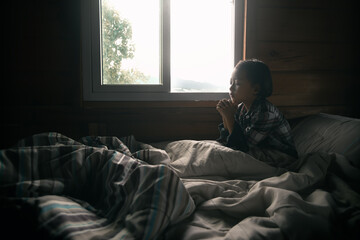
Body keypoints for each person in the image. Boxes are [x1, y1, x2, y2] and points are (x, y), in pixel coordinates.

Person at [216, 59, 298, 169]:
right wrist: (225, 116)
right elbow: (229, 138)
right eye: (231, 82)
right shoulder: (241, 108)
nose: (230, 88)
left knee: (233, 157)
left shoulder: (266, 113)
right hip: (257, 148)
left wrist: (229, 117)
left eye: (237, 84)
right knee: (224, 151)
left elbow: (241, 147)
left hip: (282, 156)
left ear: (255, 89)